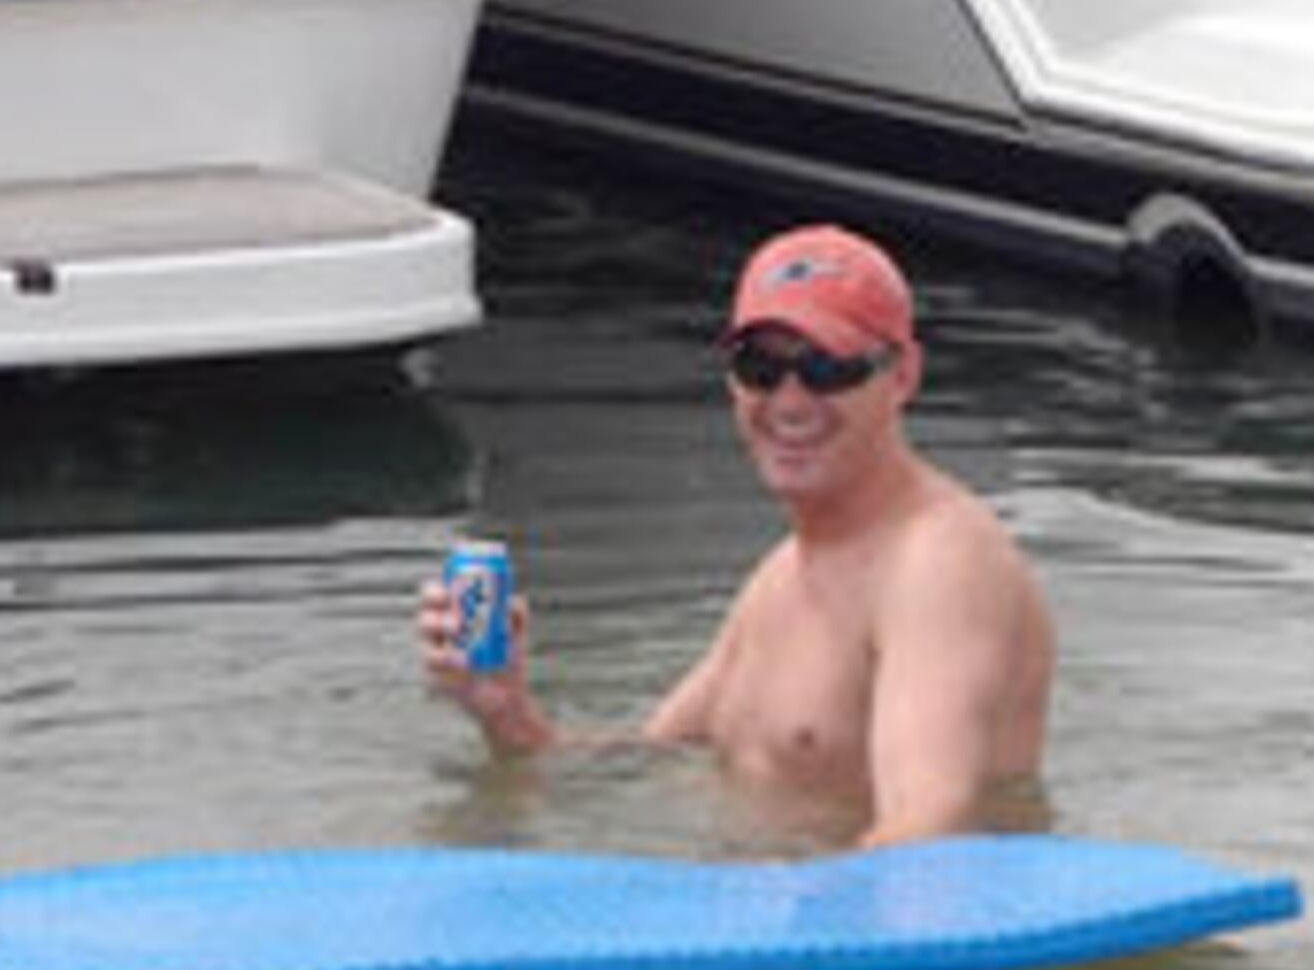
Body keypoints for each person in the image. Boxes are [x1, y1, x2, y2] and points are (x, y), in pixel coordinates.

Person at [419, 223, 1056, 846]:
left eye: (828, 368)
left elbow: (927, 839)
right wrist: (507, 714)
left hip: (846, 915)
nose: (790, 401)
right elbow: (639, 770)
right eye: (760, 367)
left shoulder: (939, 566)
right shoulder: (782, 576)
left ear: (903, 375)